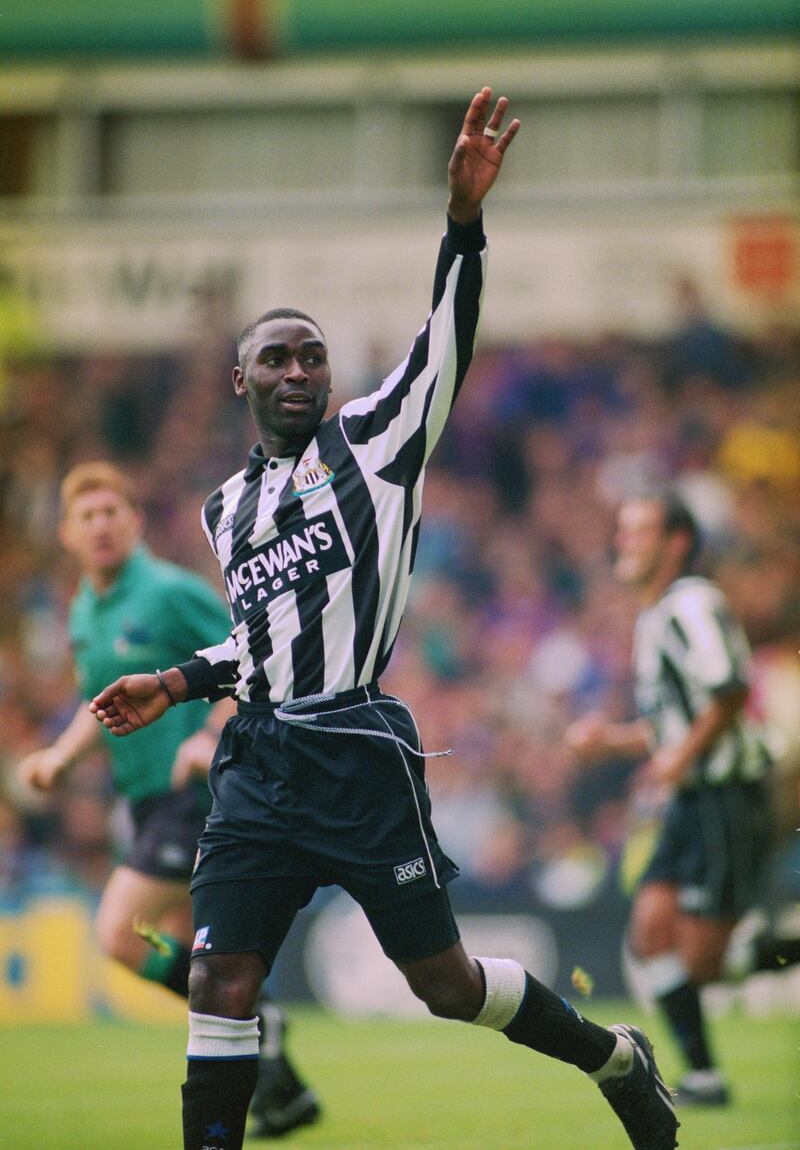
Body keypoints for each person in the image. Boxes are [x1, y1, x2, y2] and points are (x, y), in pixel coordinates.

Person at [90, 89, 678, 1150]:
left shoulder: (375, 443)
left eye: (310, 354)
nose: (297, 370)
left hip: (359, 752)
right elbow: (262, 639)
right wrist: (177, 682)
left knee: (445, 987)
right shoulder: (225, 509)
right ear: (241, 381)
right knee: (220, 976)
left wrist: (461, 221)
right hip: (259, 763)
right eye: (275, 358)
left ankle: (614, 1059)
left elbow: (447, 334)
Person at [18, 460, 320, 1139]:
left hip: (198, 790)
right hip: (149, 803)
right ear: (66, 533)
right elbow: (101, 702)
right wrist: (61, 759)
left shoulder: (167, 592)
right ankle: (283, 1092)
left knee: (120, 935)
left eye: (112, 513)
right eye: (87, 516)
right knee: (208, 966)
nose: (101, 526)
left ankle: (263, 1019)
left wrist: (208, 732)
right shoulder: (84, 611)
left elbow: (255, 654)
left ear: (135, 522)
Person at [566, 491, 800, 1106]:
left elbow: (729, 690)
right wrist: (611, 741)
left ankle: (787, 951)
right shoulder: (656, 615)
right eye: (623, 531)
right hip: (694, 801)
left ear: (676, 543)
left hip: (728, 795)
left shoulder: (693, 603)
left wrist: (680, 758)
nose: (625, 542)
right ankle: (704, 1076)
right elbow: (673, 725)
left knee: (696, 962)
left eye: (640, 531)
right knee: (650, 936)